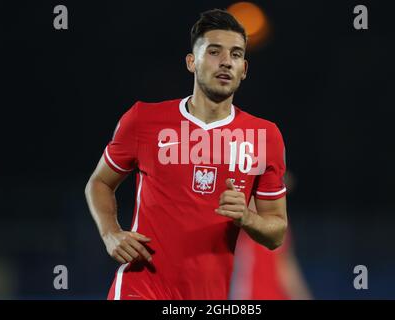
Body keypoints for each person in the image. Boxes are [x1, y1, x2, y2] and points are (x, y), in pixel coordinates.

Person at [84, 8, 288, 300]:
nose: (226, 62)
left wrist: (247, 217)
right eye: (215, 51)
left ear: (244, 69)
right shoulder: (143, 119)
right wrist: (109, 233)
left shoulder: (265, 136)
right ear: (192, 62)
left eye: (236, 54)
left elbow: (276, 231)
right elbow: (99, 182)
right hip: (140, 287)